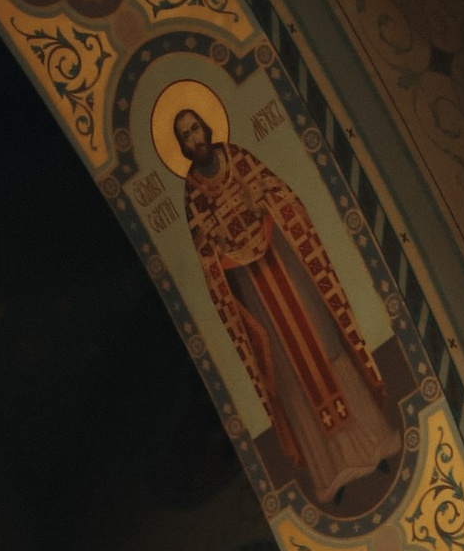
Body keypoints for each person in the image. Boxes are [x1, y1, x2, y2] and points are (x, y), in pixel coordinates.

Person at [166, 100, 404, 513]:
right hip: (254, 292)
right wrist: (224, 250)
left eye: (195, 128)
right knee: (291, 377)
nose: (194, 139)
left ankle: (374, 446)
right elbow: (206, 255)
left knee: (326, 351)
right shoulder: (192, 193)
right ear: (183, 146)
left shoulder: (238, 157)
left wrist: (263, 209)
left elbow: (280, 195)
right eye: (185, 136)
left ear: (206, 127)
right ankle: (331, 474)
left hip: (287, 270)